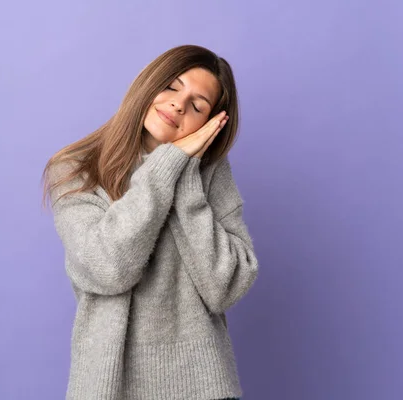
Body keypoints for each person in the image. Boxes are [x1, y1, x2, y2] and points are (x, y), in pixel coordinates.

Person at [41, 44, 258, 400]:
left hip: (204, 386)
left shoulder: (210, 174)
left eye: (198, 105)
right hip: (106, 386)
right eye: (171, 87)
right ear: (148, 84)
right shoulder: (75, 169)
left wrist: (186, 176)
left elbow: (226, 287)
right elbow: (108, 268)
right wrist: (167, 165)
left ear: (208, 123)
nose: (178, 105)